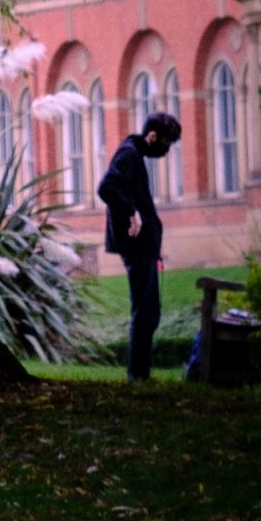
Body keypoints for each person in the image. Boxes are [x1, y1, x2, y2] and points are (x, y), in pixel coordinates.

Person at [96, 109, 184, 382]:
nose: (166, 151)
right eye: (166, 144)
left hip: (144, 246)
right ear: (153, 136)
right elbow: (106, 188)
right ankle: (138, 375)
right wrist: (132, 212)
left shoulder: (134, 153)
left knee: (149, 310)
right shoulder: (129, 155)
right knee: (145, 310)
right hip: (136, 247)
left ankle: (140, 373)